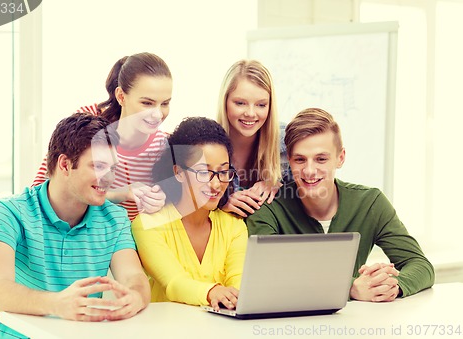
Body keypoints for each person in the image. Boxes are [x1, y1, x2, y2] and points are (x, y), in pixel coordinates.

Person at [0, 113, 151, 338]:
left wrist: (135, 297)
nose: (109, 178)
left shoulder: (115, 219)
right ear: (65, 165)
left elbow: (134, 278)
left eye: (113, 168)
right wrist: (57, 304)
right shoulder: (6, 213)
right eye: (98, 166)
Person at [246, 107, 435, 302]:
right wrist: (351, 288)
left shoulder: (370, 203)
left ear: (340, 158)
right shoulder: (267, 208)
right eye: (300, 160)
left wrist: (390, 287)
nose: (309, 171)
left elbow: (420, 264)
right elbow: (267, 279)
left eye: (321, 159)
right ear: (289, 162)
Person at [32, 52, 173, 221]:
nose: (157, 114)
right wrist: (120, 193)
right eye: (147, 103)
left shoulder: (165, 146)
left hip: (124, 239)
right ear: (121, 96)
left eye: (165, 103)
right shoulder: (87, 124)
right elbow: (43, 189)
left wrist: (163, 204)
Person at [132, 117, 247, 311]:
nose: (216, 184)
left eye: (223, 171)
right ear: (178, 172)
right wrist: (212, 292)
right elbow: (173, 284)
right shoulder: (148, 224)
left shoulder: (235, 227)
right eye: (203, 172)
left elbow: (239, 285)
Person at [216, 59, 284, 218]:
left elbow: (309, 186)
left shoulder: (285, 140)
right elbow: (184, 201)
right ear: (225, 101)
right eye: (240, 103)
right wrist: (220, 203)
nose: (251, 113)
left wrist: (278, 186)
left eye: (261, 105)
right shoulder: (206, 143)